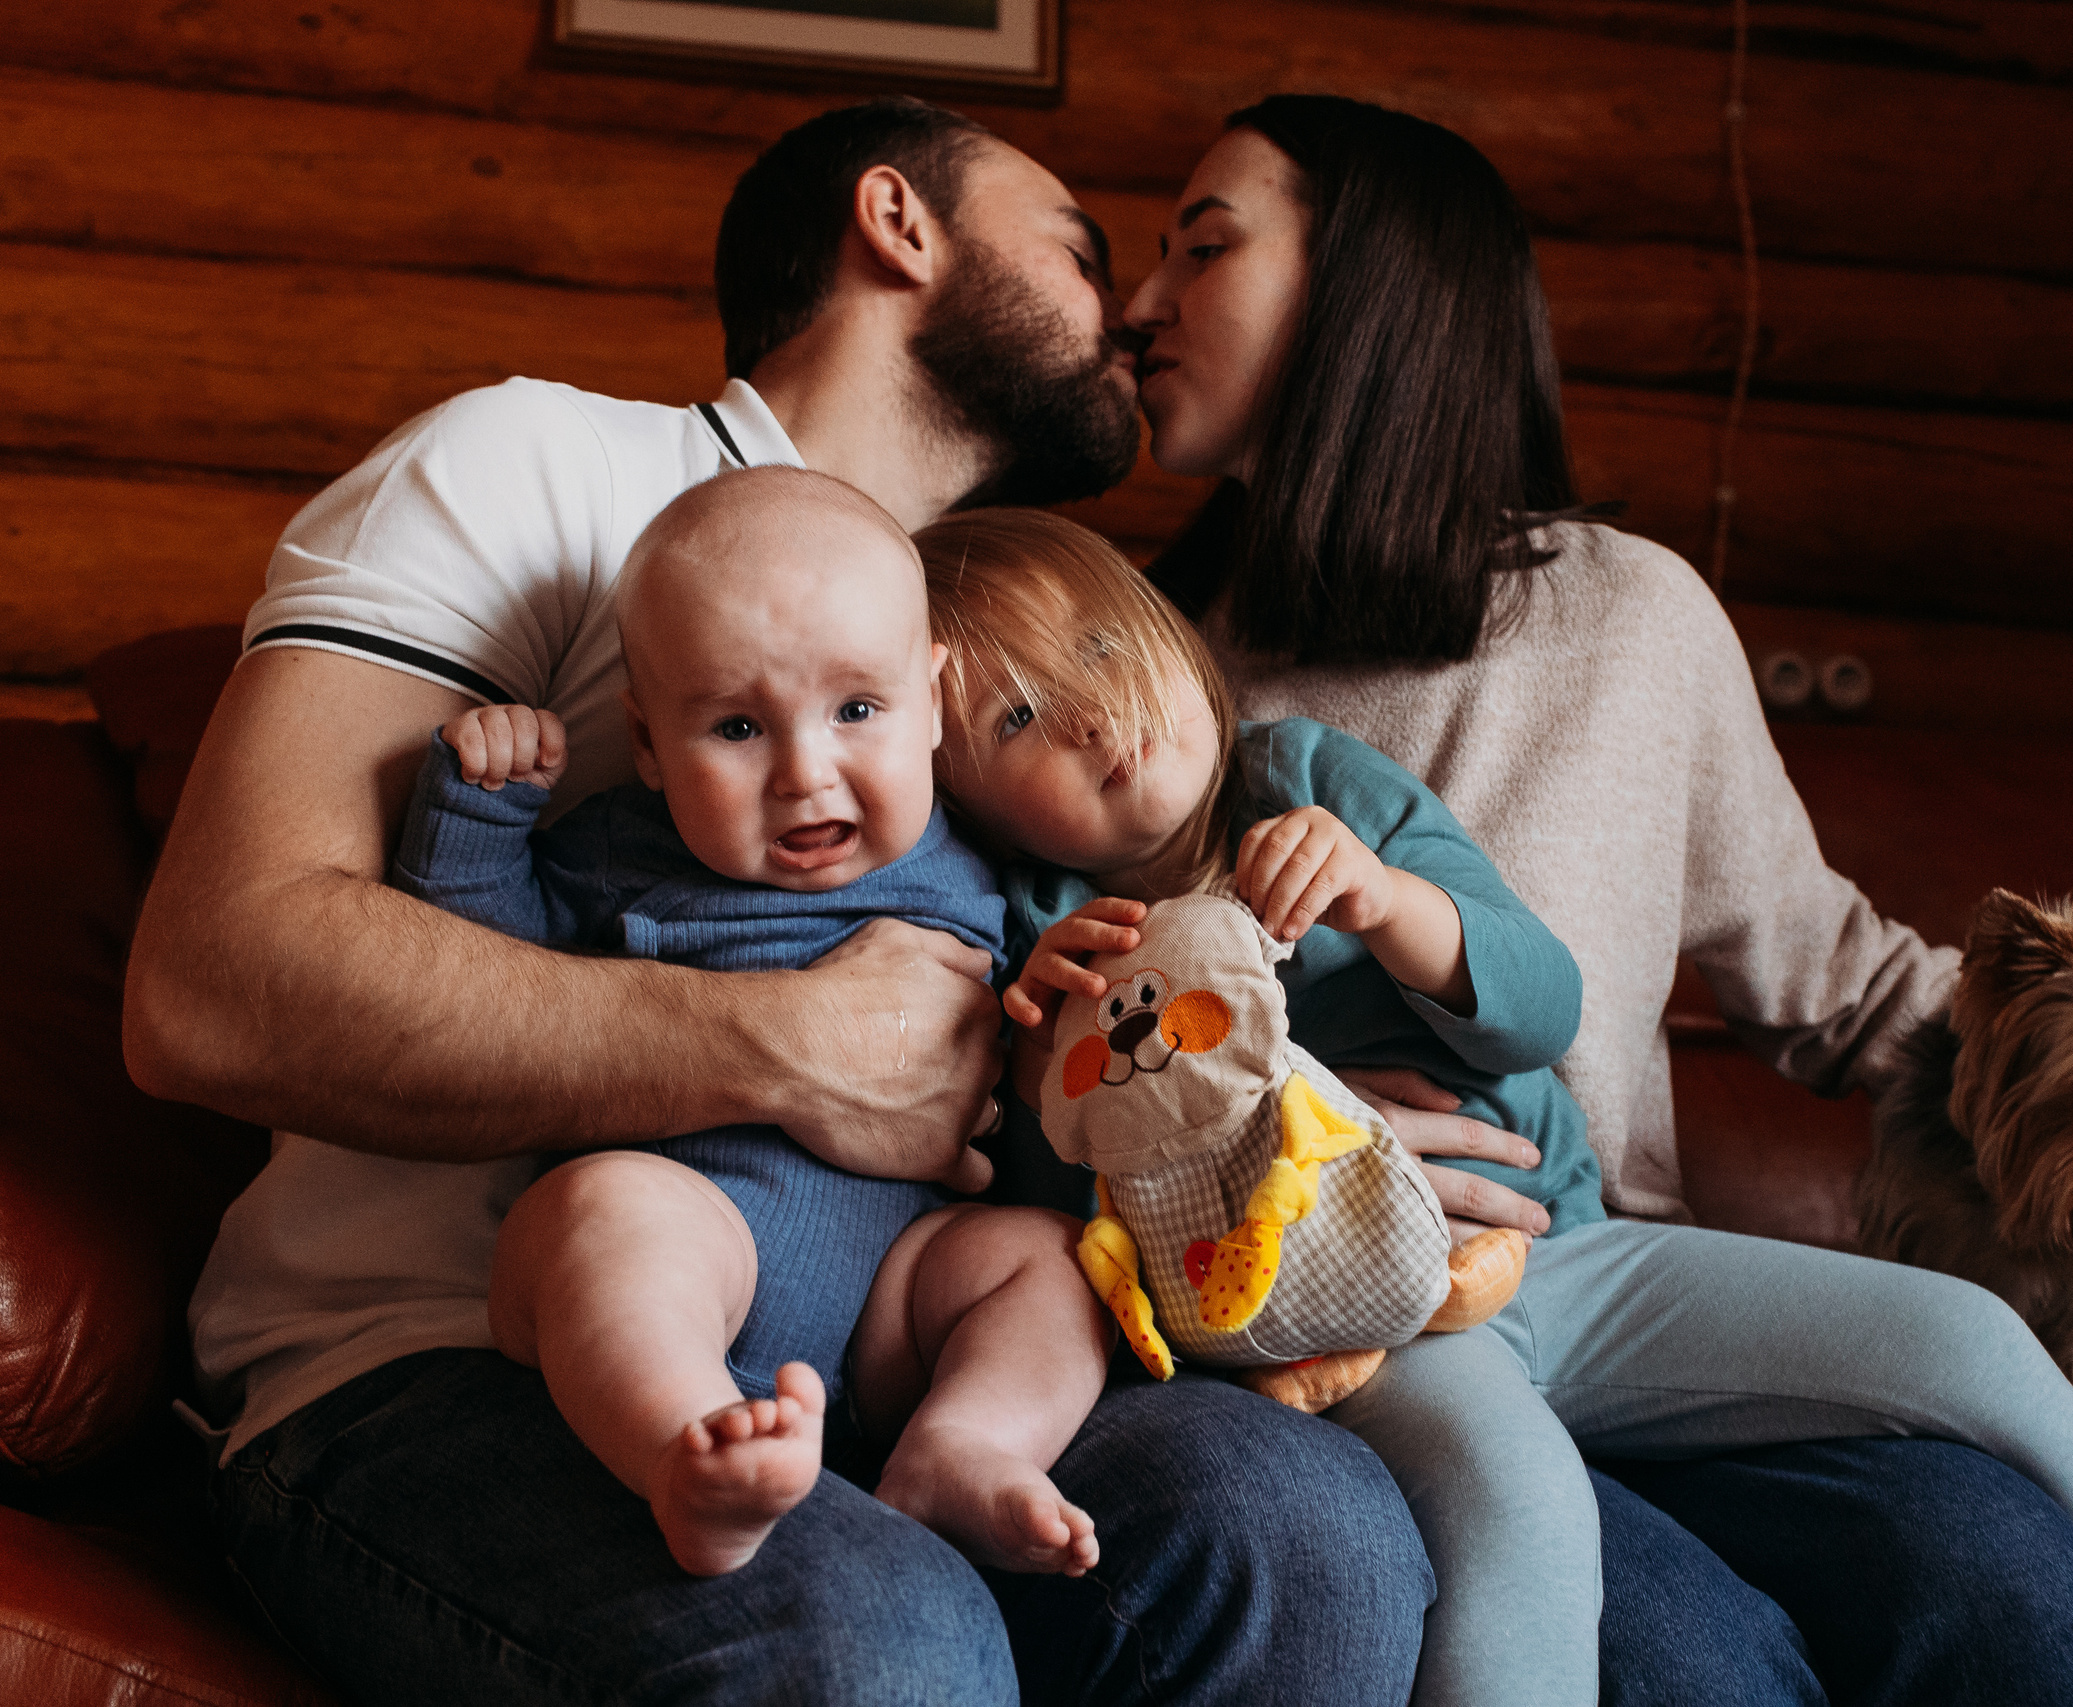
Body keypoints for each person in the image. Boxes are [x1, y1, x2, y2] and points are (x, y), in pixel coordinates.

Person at [145, 99, 1431, 1705]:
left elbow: (1080, 985)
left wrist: (1282, 1113)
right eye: (1085, 250)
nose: (1135, 309)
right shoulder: (536, 466)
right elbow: (210, 978)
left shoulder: (992, 655)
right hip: (432, 1351)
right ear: (901, 222)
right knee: (877, 1638)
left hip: (897, 1316)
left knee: (1311, 1532)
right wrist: (780, 1043)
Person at [1120, 93, 2073, 1707]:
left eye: (1203, 246)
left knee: (2028, 1593)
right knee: (1696, 1665)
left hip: (1639, 1293)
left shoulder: (1628, 612)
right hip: (1376, 1334)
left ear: (1374, 288)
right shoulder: (1141, 694)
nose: (1141, 303)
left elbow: (1846, 980)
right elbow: (1109, 1039)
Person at [921, 506, 1608, 1704]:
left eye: (1093, 645)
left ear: (1168, 634)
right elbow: (1093, 1244)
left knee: (1960, 1348)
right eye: (1014, 717)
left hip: (1575, 1240)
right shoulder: (1049, 945)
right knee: (1522, 1512)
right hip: (1373, 1324)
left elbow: (1545, 1010)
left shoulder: (1306, 779)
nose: (1093, 713)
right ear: (963, 804)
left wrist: (1388, 902)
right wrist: (1040, 1073)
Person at [397, 469, 1117, 1580]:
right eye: (737, 726)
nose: (804, 771)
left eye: (858, 711)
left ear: (934, 701)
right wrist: (476, 817)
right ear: (646, 743)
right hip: (692, 1250)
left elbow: (1038, 1049)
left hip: (899, 1291)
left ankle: (960, 1442)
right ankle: (685, 1451)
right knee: (599, 1211)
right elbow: (478, 980)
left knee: (1053, 1261)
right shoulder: (619, 851)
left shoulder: (983, 864)